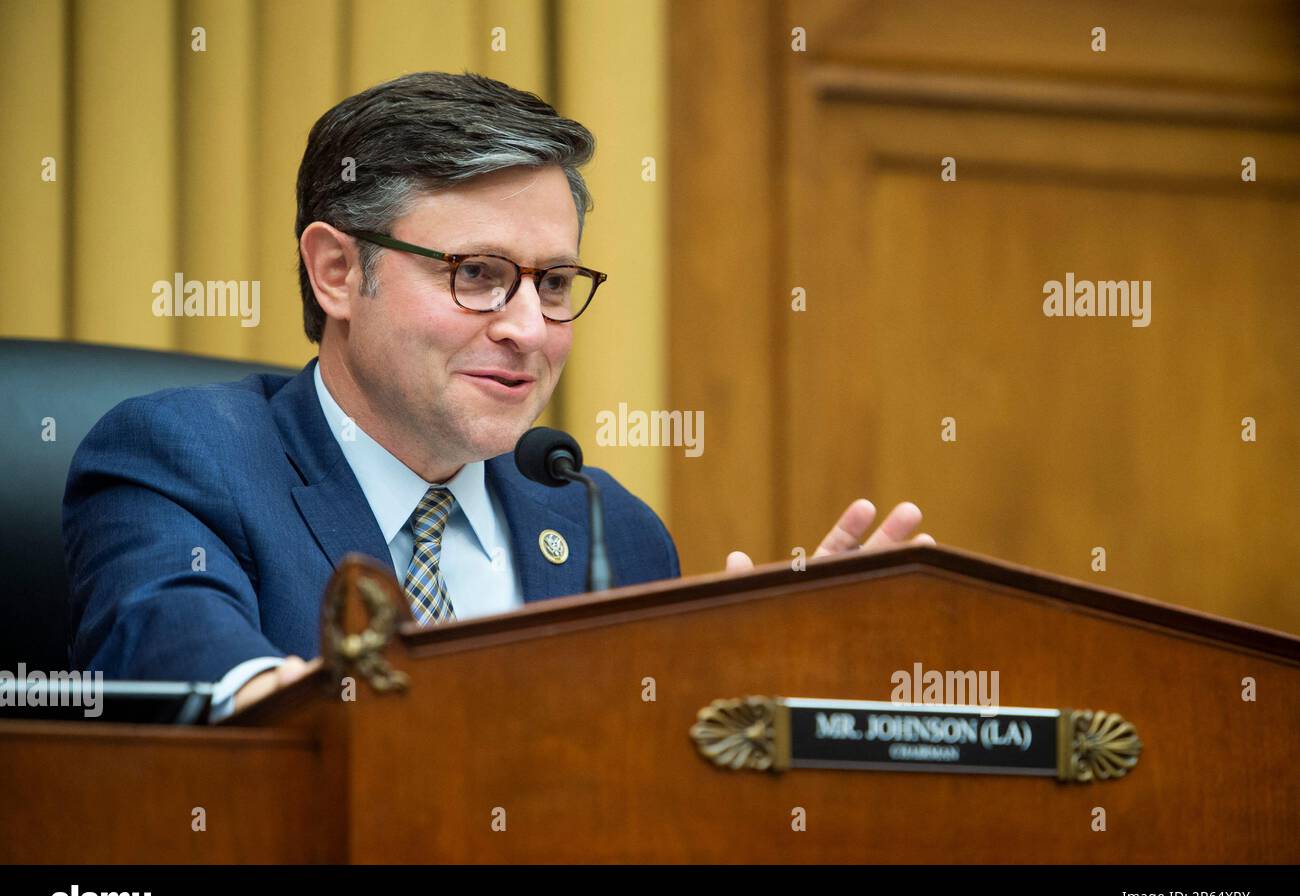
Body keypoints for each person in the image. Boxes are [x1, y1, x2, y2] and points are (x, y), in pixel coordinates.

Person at [63, 72, 930, 720]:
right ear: (335, 270)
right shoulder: (185, 458)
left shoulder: (605, 530)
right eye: (477, 274)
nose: (528, 327)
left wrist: (762, 705)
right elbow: (176, 653)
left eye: (553, 282)